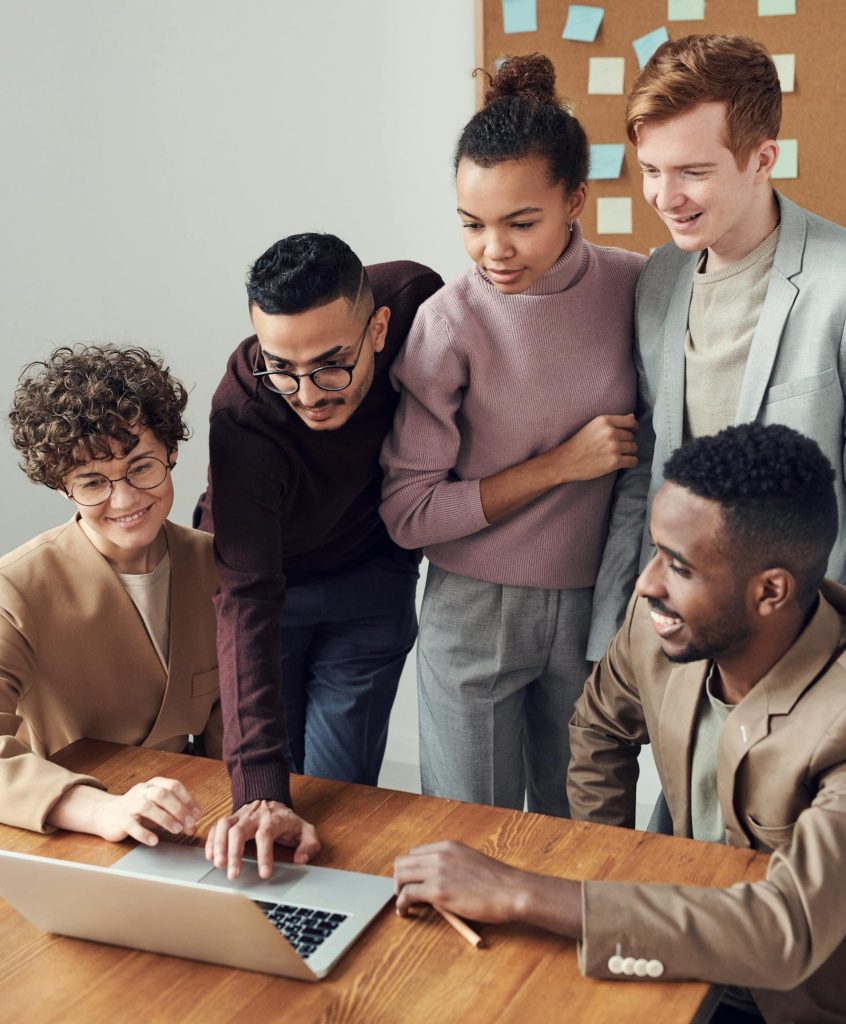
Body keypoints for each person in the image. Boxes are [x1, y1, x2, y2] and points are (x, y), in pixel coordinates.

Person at [395, 423, 846, 1024]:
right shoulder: (659, 623)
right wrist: (604, 871)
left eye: (679, 567)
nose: (645, 582)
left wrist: (528, 893)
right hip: (657, 963)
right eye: (656, 549)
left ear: (770, 592)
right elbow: (599, 727)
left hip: (792, 1005)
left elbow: (784, 930)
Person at [379, 54, 644, 816]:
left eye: (520, 222)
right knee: (470, 836)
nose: (493, 249)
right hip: (472, 606)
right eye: (471, 224)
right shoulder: (450, 320)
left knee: (582, 832)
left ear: (576, 202)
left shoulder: (637, 286)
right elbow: (408, 512)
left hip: (596, 602)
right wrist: (562, 465)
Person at [588, 32, 846, 660]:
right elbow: (646, 464)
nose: (665, 197)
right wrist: (613, 636)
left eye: (693, 172)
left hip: (809, 638)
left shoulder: (838, 284)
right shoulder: (658, 279)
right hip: (673, 632)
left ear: (762, 159)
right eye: (652, 170)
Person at [195, 234, 441, 877]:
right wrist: (259, 792)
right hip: (263, 590)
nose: (306, 392)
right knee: (270, 802)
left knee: (339, 803)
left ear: (380, 327)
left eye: (332, 364)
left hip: (370, 577)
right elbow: (245, 593)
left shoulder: (417, 301)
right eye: (281, 366)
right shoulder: (245, 410)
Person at [1, 344, 221, 844]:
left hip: (195, 817)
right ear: (62, 486)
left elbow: (234, 732)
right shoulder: (14, 587)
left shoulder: (216, 566)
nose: (124, 500)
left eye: (142, 467)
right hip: (65, 826)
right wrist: (100, 812)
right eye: (92, 481)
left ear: (173, 451)